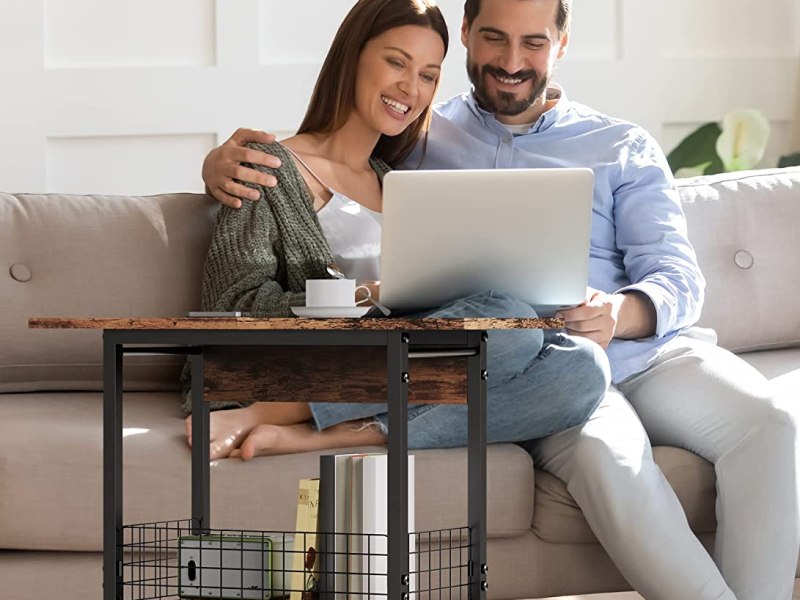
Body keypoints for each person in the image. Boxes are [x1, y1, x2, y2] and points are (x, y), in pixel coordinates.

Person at [202, 1, 800, 599]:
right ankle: (317, 413)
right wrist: (219, 165)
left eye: (533, 43)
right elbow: (316, 172)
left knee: (773, 421)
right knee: (583, 417)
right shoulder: (420, 138)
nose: (512, 62)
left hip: (639, 353)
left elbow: (677, 275)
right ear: (466, 35)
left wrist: (622, 312)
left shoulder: (620, 145)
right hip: (522, 361)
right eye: (493, 38)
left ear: (561, 44)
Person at [187, 0, 609, 470]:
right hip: (309, 364)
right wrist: (370, 296)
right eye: (396, 62)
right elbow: (230, 310)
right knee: (507, 317)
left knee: (583, 368)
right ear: (353, 56)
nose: (411, 88)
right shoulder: (265, 167)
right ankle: (274, 410)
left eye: (429, 75)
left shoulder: (400, 179)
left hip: (406, 364)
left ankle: (334, 432)